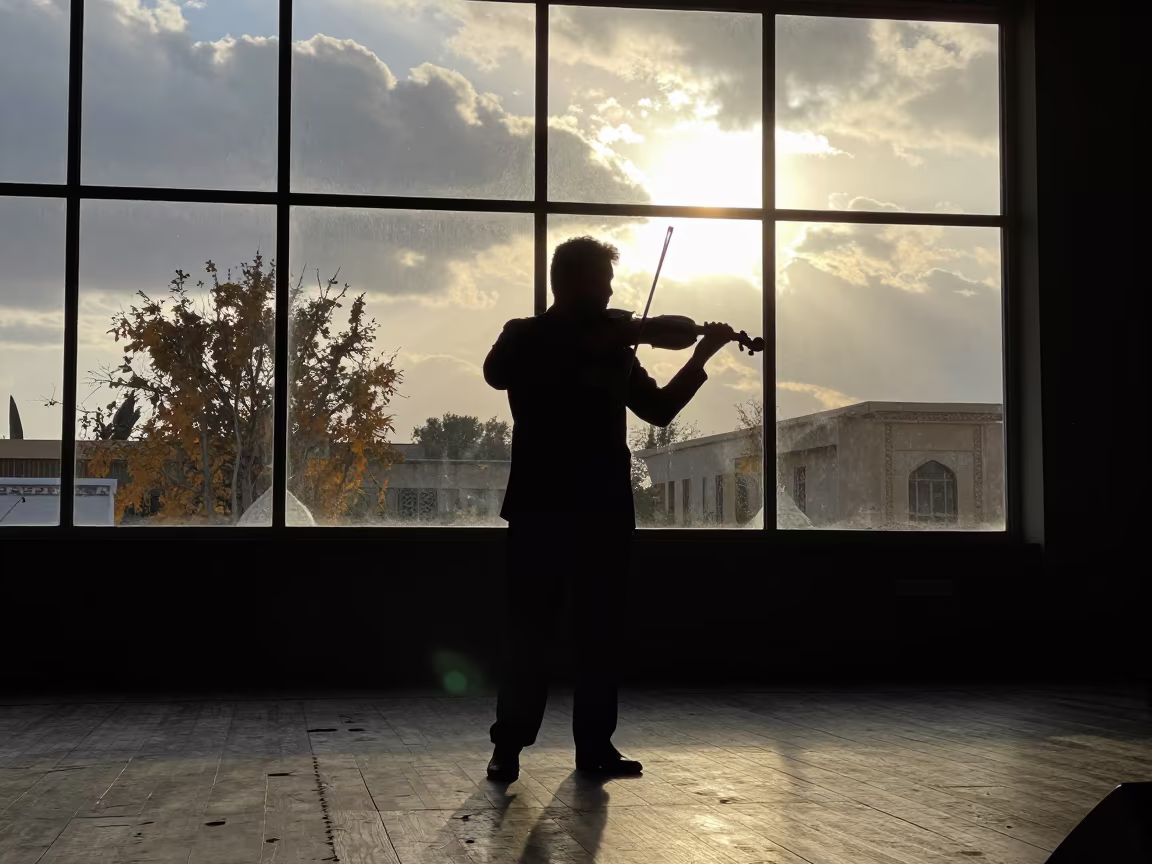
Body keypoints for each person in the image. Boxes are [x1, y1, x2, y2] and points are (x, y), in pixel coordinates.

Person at [482, 236, 735, 782]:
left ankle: (594, 746)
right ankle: (509, 747)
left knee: (599, 633)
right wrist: (607, 337)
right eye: (603, 283)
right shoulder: (524, 336)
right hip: (543, 509)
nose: (613, 294)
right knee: (531, 633)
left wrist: (698, 358)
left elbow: (660, 411)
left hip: (601, 511)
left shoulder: (616, 351)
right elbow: (495, 373)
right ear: (573, 282)